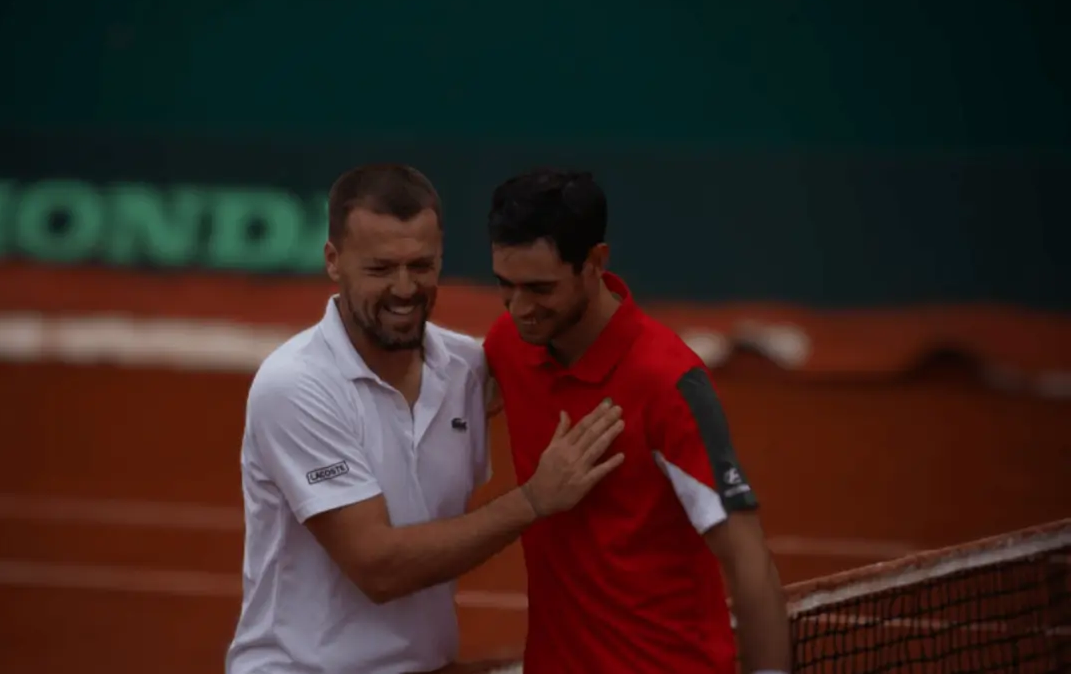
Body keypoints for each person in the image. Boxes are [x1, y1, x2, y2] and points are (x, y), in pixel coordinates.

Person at [225, 163, 627, 674]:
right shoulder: (297, 385)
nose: (403, 288)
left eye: (421, 265)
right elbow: (377, 567)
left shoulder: (467, 371)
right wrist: (532, 501)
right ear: (333, 261)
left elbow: (584, 362)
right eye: (379, 269)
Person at [482, 168, 793, 674]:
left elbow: (747, 559)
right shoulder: (509, 344)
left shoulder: (668, 382)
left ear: (595, 263)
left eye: (540, 288)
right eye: (505, 285)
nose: (520, 309)